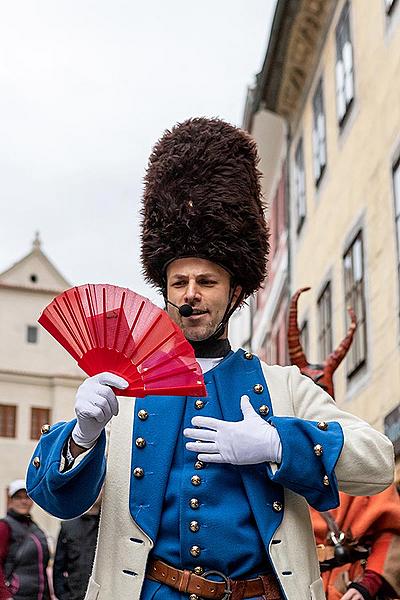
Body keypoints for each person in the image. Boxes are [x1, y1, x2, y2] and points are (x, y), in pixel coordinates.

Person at [26, 118, 394, 600]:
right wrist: (82, 436)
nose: (191, 296)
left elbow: (378, 464)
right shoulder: (123, 388)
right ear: (165, 291)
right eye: (179, 283)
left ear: (235, 291)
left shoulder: (282, 385)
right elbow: (53, 498)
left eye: (207, 282)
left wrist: (279, 443)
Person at [0, 480, 50, 600]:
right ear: (11, 501)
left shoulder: (36, 529)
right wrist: (5, 596)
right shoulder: (4, 526)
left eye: (27, 497)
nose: (23, 501)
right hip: (15, 596)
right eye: (18, 497)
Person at [52, 495, 101, 600]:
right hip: (76, 595)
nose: (96, 491)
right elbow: (58, 567)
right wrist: (64, 596)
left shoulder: (111, 525)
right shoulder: (68, 525)